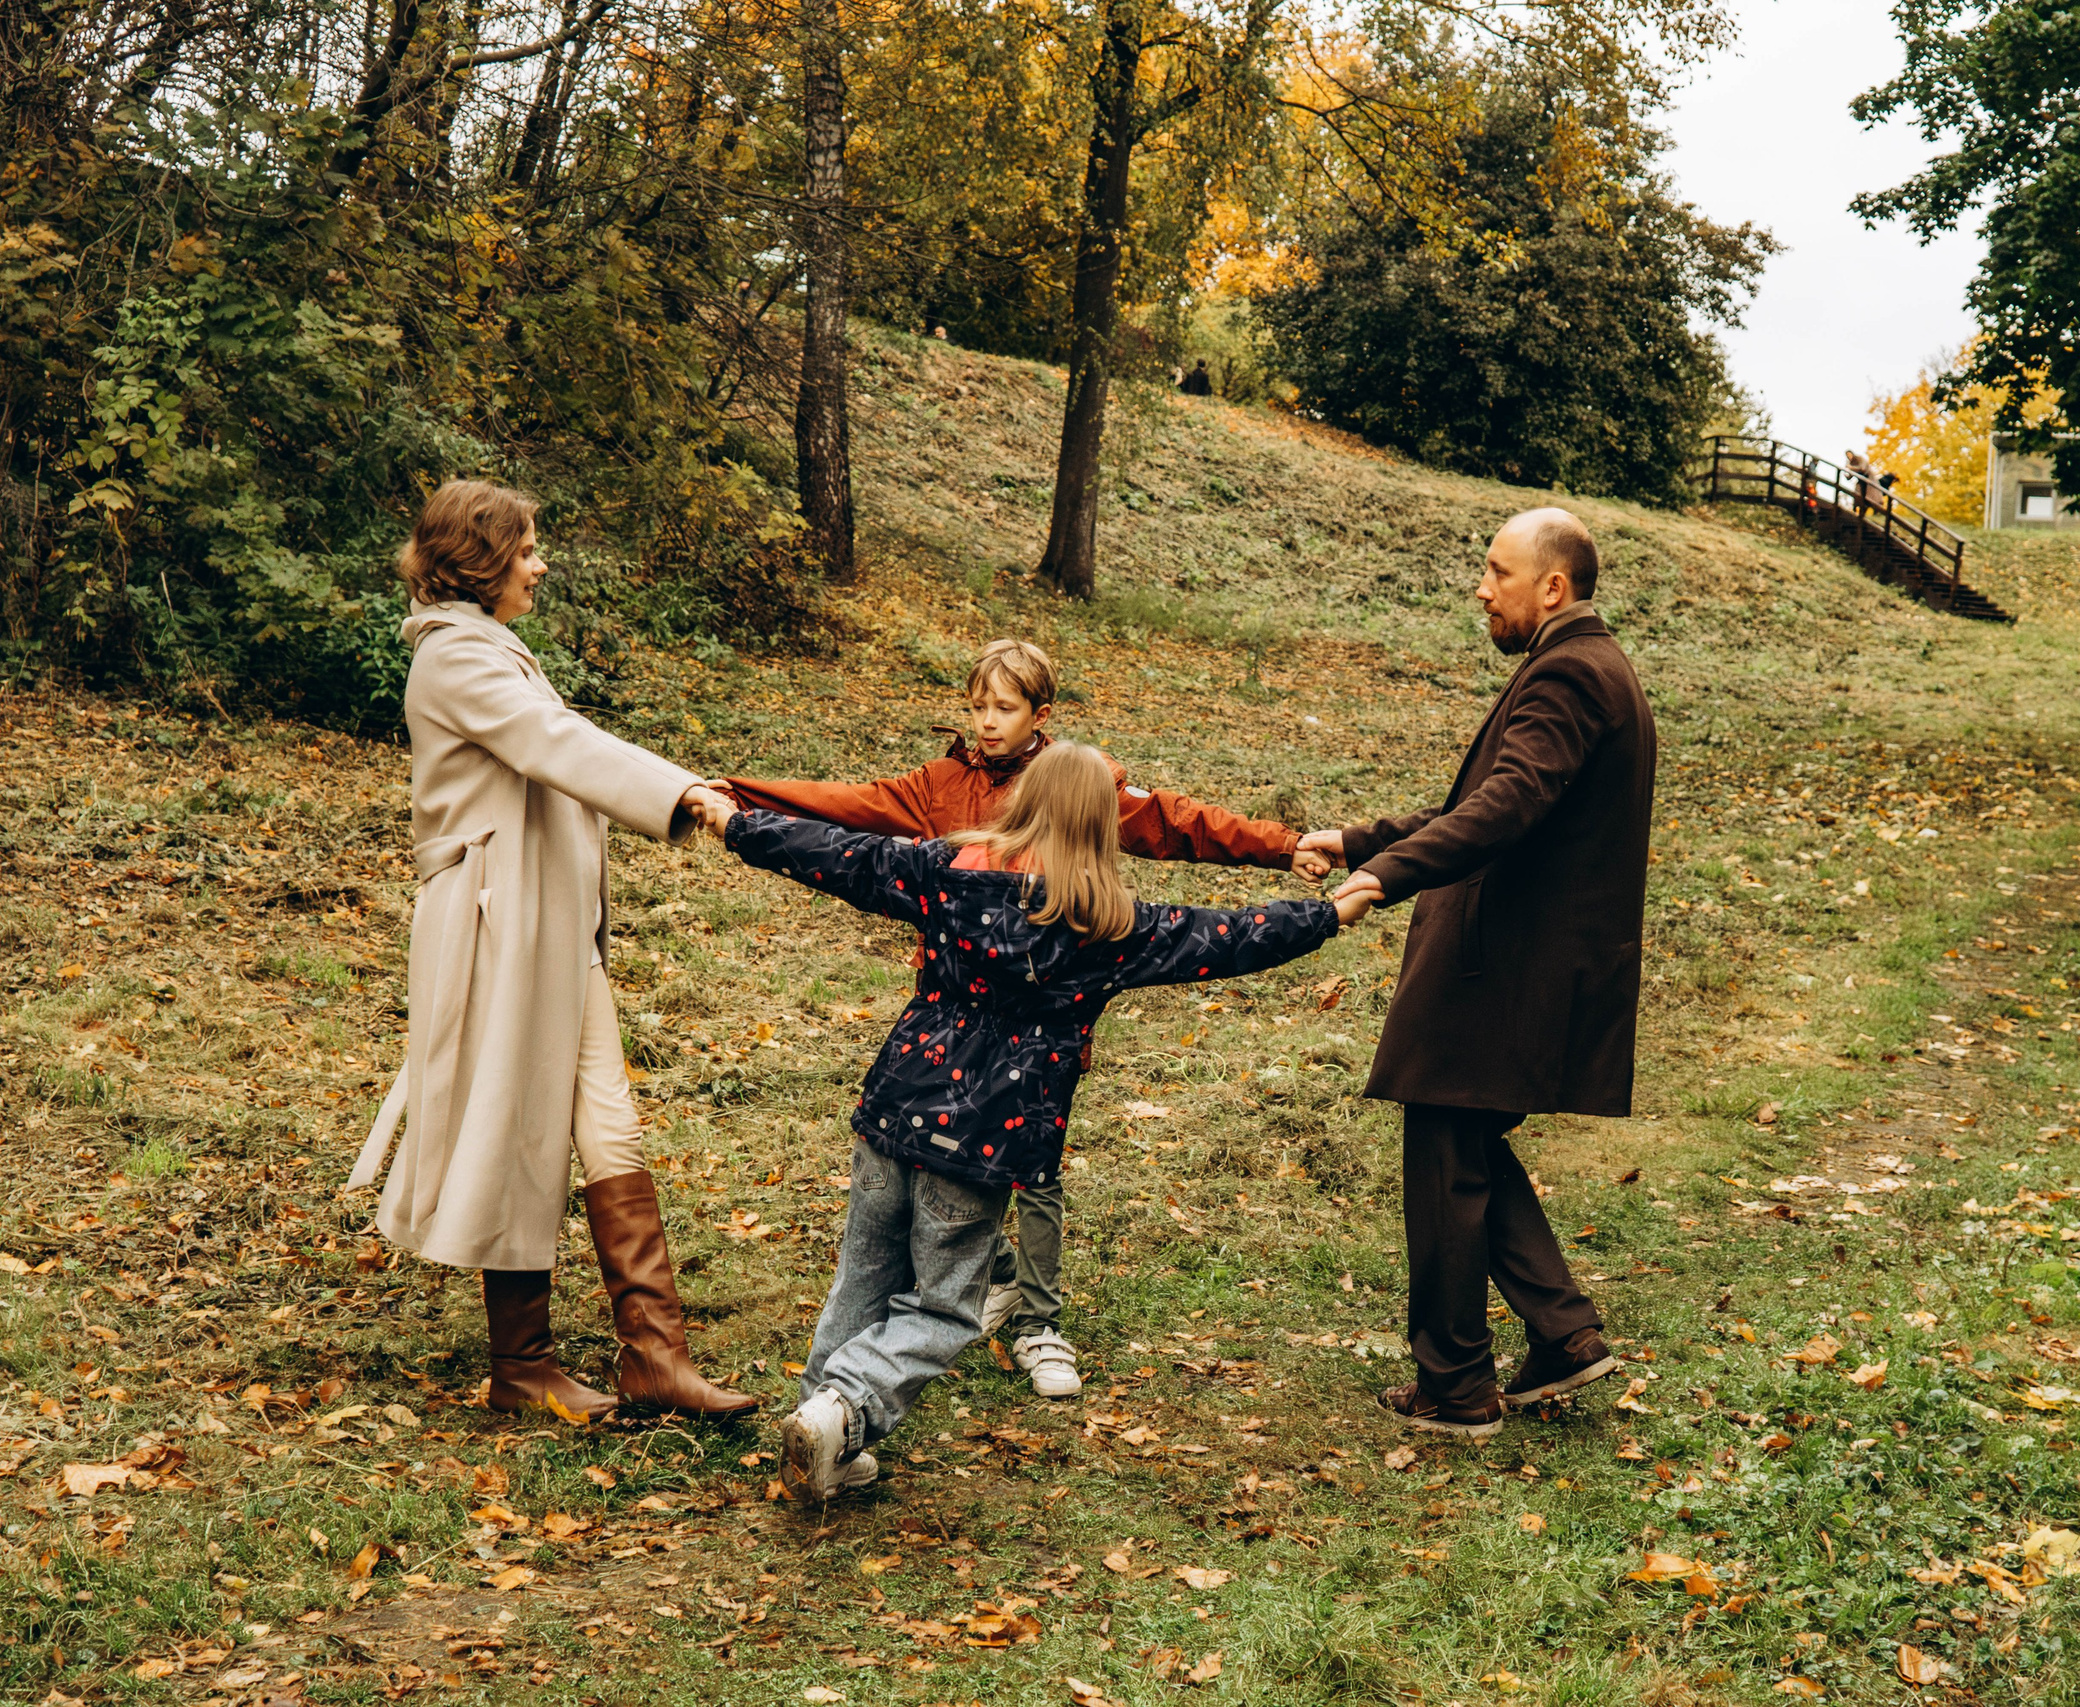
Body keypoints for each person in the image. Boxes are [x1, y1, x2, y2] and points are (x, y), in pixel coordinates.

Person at [690, 744, 1372, 1499]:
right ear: (1099, 825)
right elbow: (1228, 935)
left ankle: (824, 1428)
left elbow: (834, 852)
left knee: (864, 1275)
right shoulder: (1111, 926)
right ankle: (843, 1410)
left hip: (893, 1108)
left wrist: (733, 822)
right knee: (946, 1306)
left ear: (1023, 801)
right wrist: (1329, 913)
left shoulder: (940, 873)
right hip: (984, 1139)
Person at [717, 639, 1326, 1401]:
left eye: (1003, 707)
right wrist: (737, 795)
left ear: (1041, 715)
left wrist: (1284, 847)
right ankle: (911, 1344)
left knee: (1018, 1180)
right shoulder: (943, 787)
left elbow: (1180, 823)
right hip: (951, 1031)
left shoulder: (1081, 785)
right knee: (932, 1220)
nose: (986, 722)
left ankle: (1034, 1317)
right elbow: (845, 816)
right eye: (977, 706)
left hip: (1011, 1045)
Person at [351, 480, 755, 1421]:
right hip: (497, 928)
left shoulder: (492, 648)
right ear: (483, 560)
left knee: (608, 1121)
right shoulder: (454, 659)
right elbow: (553, 742)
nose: (539, 564)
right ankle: (522, 1364)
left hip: (551, 929)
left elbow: (552, 749)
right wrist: (682, 792)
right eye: (526, 549)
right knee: (516, 1124)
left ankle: (655, 1355)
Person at [1301, 507, 1656, 1438]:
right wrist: (1358, 841)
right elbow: (1478, 802)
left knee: (1447, 1158)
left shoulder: (1573, 672)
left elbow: (1505, 808)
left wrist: (1385, 876)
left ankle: (1456, 1387)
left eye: (1497, 572)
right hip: (1518, 959)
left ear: (1554, 587)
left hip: (1505, 964)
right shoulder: (1579, 666)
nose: (1481, 587)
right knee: (1461, 1147)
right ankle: (1564, 1333)